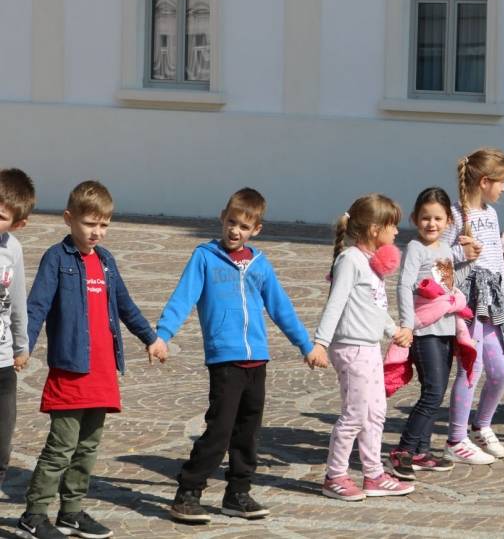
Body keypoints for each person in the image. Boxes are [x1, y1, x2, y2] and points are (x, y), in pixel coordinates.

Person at [157, 188, 327, 523]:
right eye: (232, 222)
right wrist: (163, 335)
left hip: (257, 360)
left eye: (244, 226)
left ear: (256, 230)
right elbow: (183, 298)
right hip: (225, 360)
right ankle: (188, 493)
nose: (236, 230)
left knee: (248, 432)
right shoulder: (204, 257)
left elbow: (282, 308)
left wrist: (306, 345)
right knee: (219, 430)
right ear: (223, 218)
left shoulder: (261, 265)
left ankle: (237, 494)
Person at [20, 181, 168, 539]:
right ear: (69, 219)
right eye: (90, 224)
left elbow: (126, 306)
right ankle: (34, 514)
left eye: (104, 225)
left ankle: (71, 512)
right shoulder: (57, 259)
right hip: (71, 371)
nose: (97, 232)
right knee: (61, 447)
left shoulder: (106, 261)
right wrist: (22, 346)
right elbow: (36, 306)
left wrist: (151, 338)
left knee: (87, 449)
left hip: (102, 372)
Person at [315, 194, 414, 501]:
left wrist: (393, 329)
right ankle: (335, 475)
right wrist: (320, 343)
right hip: (350, 348)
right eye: (392, 226)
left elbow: (372, 307)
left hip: (369, 346)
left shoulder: (371, 264)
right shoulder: (349, 261)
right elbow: (336, 304)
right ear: (374, 229)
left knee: (376, 411)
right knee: (355, 414)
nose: (396, 232)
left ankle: (373, 475)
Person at [387, 187, 470, 479]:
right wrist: (407, 325)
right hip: (424, 332)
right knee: (433, 392)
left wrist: (468, 262)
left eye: (437, 218)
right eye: (425, 218)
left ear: (448, 221)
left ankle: (421, 451)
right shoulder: (415, 249)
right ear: (414, 218)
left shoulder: (444, 250)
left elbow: (447, 284)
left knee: (435, 391)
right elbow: (404, 286)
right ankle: (403, 450)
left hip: (446, 329)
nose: (431, 224)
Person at [444, 147, 504, 464]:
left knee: (501, 370)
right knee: (472, 367)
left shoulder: (491, 213)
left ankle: (481, 425)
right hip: (468, 303)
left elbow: (496, 257)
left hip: (492, 303)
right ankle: (456, 439)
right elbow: (439, 260)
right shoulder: (455, 216)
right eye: (501, 182)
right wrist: (461, 258)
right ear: (485, 181)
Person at [0, 169, 34, 491]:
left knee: (2, 436)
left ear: (17, 224)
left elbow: (18, 300)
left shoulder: (13, 250)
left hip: (3, 359)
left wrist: (21, 345)